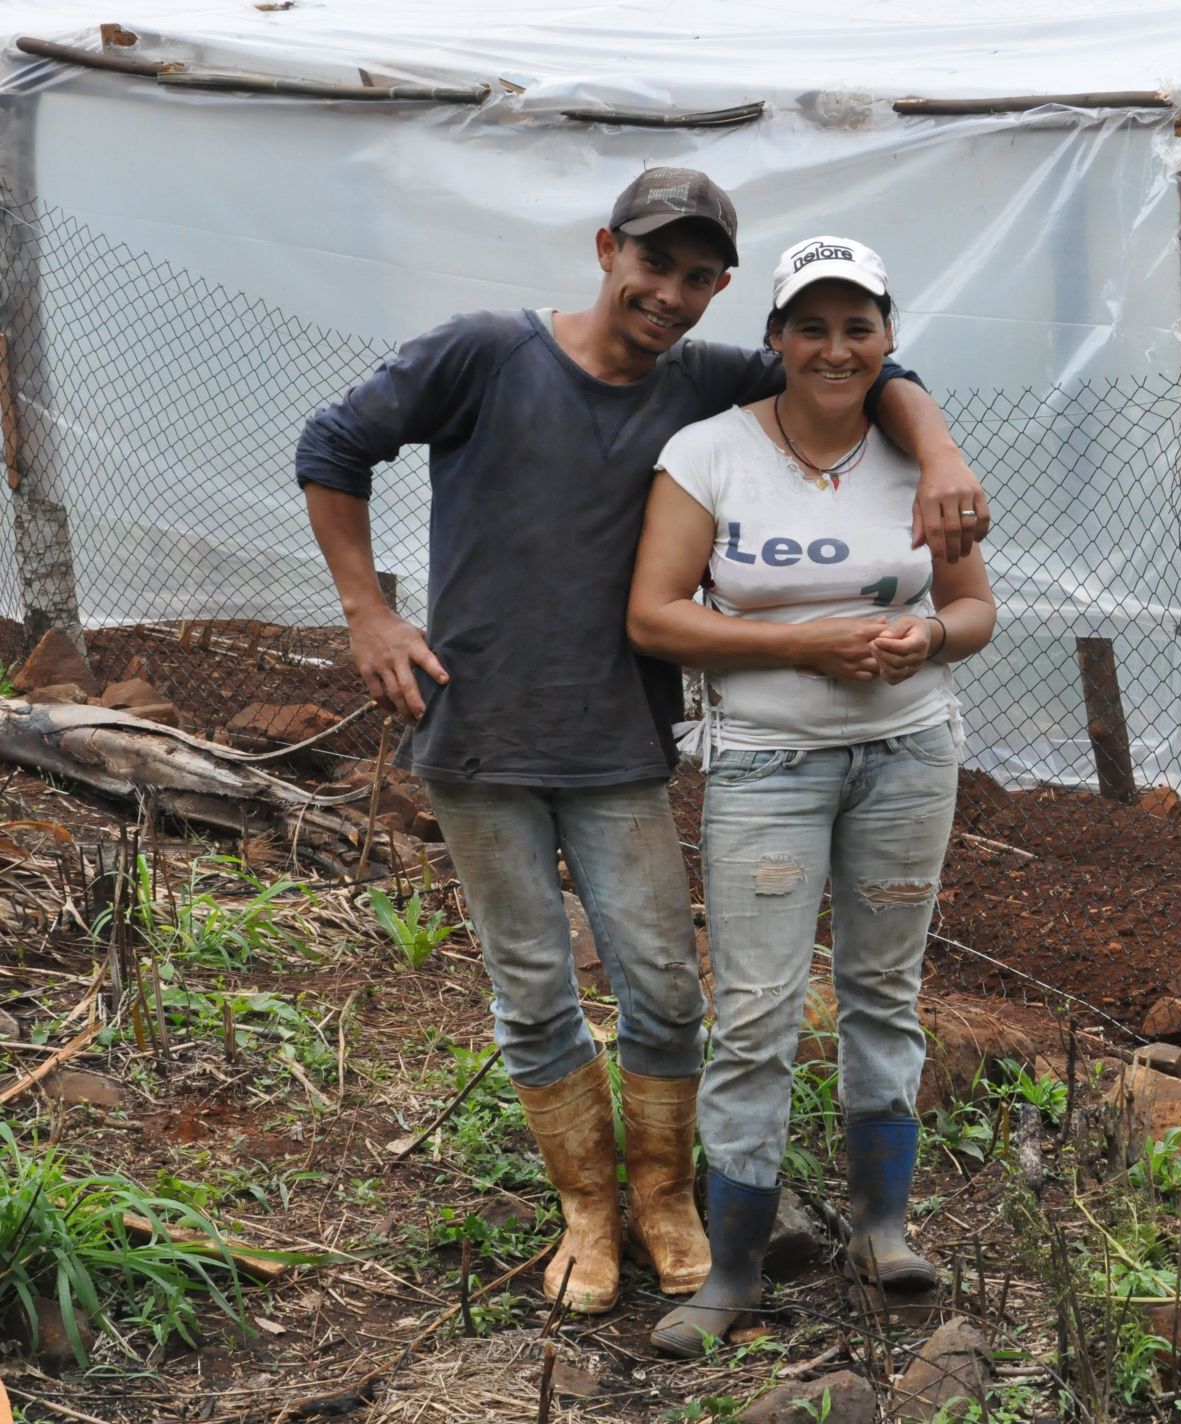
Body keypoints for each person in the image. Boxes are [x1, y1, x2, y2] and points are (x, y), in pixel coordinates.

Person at [295, 172, 989, 1316]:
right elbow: (333, 443)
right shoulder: (484, 352)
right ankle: (587, 1208)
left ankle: (665, 1197)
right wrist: (369, 611)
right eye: (651, 265)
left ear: (721, 293)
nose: (667, 294)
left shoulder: (708, 384)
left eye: (695, 277)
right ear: (607, 247)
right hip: (474, 724)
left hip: (618, 738)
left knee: (666, 990)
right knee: (530, 986)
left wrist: (946, 449)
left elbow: (865, 365)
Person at [626, 235, 995, 1354]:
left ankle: (884, 1227)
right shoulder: (710, 452)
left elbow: (975, 609)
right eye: (811, 327)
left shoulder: (924, 465)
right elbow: (653, 614)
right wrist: (805, 645)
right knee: (756, 1015)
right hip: (765, 767)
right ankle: (730, 1270)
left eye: (857, 327)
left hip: (906, 757)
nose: (834, 349)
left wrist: (925, 630)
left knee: (884, 990)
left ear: (886, 342)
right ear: (776, 339)